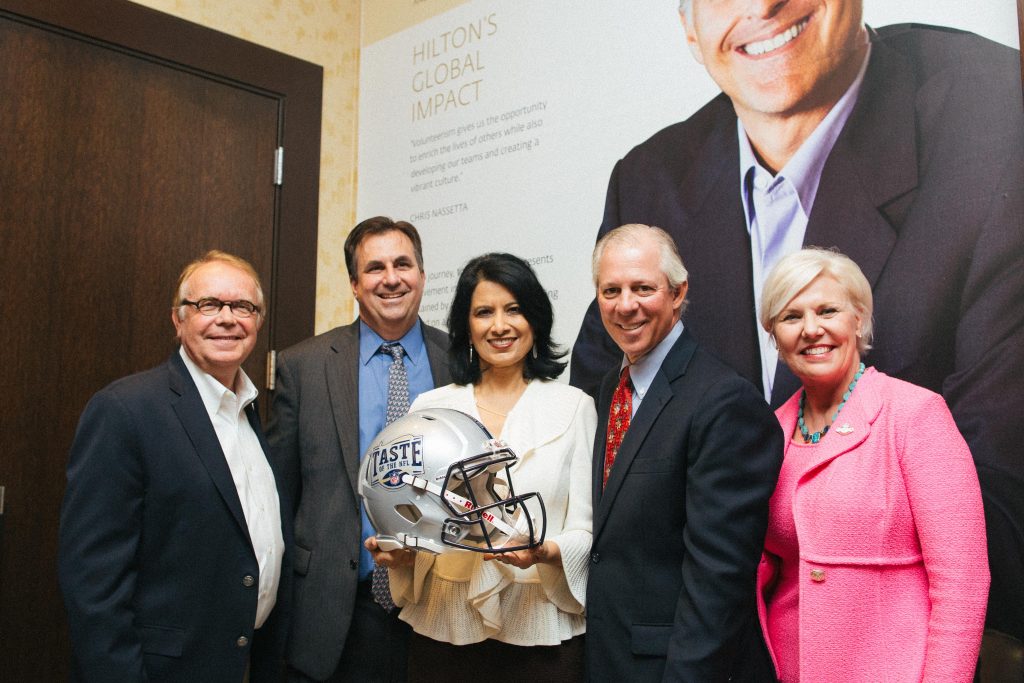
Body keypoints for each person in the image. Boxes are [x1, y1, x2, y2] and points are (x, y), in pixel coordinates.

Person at [570, 0, 1023, 641]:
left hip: (883, 640)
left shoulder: (995, 113)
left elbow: (998, 512)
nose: (760, 5)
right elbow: (606, 432)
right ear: (689, 28)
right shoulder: (648, 179)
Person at [756, 247, 989, 681]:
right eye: (791, 317)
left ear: (858, 319)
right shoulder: (768, 433)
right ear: (774, 335)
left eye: (827, 310)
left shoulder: (916, 414)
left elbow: (964, 583)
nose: (811, 329)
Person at [58, 251, 291, 682]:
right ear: (177, 320)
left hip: (243, 663)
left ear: (257, 322)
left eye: (243, 307)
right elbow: (93, 582)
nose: (227, 318)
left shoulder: (251, 413)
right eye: (209, 305)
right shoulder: (125, 410)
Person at [368, 252, 596, 681]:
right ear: (466, 326)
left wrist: (545, 552)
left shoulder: (574, 407)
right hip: (442, 631)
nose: (500, 326)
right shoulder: (431, 408)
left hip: (540, 635)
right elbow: (416, 521)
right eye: (483, 312)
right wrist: (398, 553)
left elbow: (586, 530)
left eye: (514, 309)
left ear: (535, 319)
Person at [584, 224, 782, 681]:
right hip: (610, 658)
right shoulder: (611, 389)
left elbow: (719, 577)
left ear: (677, 293)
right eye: (611, 290)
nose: (625, 304)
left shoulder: (722, 400)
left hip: (677, 667)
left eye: (643, 288)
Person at [266, 216, 450, 682]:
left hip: (439, 612)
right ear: (353, 283)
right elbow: (278, 499)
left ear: (423, 276)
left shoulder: (461, 361)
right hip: (335, 613)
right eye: (375, 268)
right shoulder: (303, 367)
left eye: (403, 264)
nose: (391, 278)